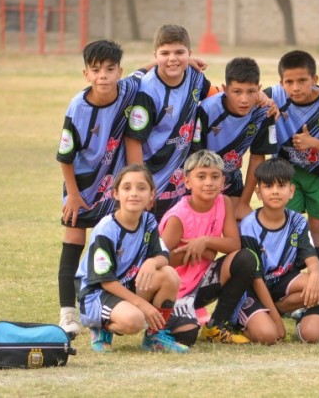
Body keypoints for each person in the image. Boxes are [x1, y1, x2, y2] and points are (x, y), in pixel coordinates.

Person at [56, 39, 150, 335]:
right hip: (81, 187)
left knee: (110, 244)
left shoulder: (129, 89)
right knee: (74, 243)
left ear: (119, 72)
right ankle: (68, 313)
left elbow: (146, 70)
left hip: (114, 183)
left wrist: (189, 60)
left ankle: (105, 306)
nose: (103, 76)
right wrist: (72, 195)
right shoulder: (78, 107)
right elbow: (66, 156)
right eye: (96, 70)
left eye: (110, 70)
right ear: (86, 74)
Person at [75, 164, 188, 353]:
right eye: (127, 188)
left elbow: (163, 256)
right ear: (116, 194)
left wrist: (152, 262)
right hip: (96, 293)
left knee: (169, 275)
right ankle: (101, 327)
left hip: (125, 284)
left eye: (141, 188)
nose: (134, 193)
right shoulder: (106, 229)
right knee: (135, 320)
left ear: (152, 194)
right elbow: (105, 281)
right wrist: (143, 305)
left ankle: (154, 337)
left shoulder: (148, 220)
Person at [158, 150, 255, 344]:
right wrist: (199, 253)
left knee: (245, 258)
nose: (209, 182)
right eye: (201, 177)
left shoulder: (224, 202)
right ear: (187, 182)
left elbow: (233, 244)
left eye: (214, 176)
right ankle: (167, 321)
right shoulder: (178, 217)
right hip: (176, 288)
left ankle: (216, 325)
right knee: (186, 338)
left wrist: (205, 242)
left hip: (202, 281)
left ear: (223, 181)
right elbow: (160, 261)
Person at [237, 158, 319, 344]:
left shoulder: (297, 220)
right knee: (271, 336)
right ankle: (244, 321)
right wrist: (276, 321)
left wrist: (314, 277)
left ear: (291, 191)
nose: (275, 191)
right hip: (256, 289)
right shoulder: (249, 225)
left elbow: (312, 259)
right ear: (258, 191)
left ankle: (280, 308)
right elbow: (256, 279)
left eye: (281, 186)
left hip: (283, 282)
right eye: (268, 186)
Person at [125, 25, 212, 221]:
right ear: (155, 56)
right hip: (152, 179)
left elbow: (216, 100)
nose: (172, 59)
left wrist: (256, 97)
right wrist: (141, 184)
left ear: (189, 54)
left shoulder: (195, 76)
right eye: (165, 53)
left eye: (179, 52)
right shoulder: (146, 91)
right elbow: (133, 141)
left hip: (180, 179)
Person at [265, 50, 319, 248]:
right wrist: (264, 101)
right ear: (281, 82)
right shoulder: (275, 95)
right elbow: (253, 92)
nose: (296, 88)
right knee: (285, 223)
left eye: (302, 81)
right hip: (285, 174)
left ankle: (318, 270)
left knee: (318, 227)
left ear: (314, 79)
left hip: (318, 175)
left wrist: (313, 143)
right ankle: (287, 267)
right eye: (289, 82)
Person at [192, 57, 277, 220]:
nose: (244, 99)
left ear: (259, 89)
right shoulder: (207, 110)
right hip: (202, 179)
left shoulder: (264, 112)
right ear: (225, 89)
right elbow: (197, 158)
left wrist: (244, 203)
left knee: (243, 231)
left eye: (251, 91)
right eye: (237, 92)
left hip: (231, 180)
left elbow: (258, 157)